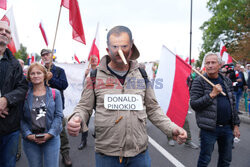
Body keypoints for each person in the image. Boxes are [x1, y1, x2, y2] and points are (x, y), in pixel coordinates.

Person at [67, 25, 187, 167]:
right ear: (107, 49)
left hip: (139, 154)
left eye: (124, 46)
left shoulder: (142, 75)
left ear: (131, 46)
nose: (119, 51)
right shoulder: (94, 76)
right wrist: (77, 118)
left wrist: (171, 128)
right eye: (115, 47)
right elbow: (84, 107)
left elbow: (153, 109)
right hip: (107, 155)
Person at [190, 52, 240, 167]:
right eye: (207, 63)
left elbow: (232, 103)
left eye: (213, 62)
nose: (210, 65)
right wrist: (211, 95)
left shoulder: (226, 81)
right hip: (209, 129)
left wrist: (236, 125)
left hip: (227, 128)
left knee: (225, 160)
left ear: (220, 65)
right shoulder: (199, 81)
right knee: (204, 160)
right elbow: (194, 104)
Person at [21, 63, 63, 167]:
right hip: (30, 140)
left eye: (39, 73)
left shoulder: (55, 93)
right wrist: (28, 135)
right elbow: (20, 118)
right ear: (29, 77)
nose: (36, 76)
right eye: (32, 73)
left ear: (44, 75)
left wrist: (50, 134)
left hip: (51, 138)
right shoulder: (24, 95)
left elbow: (58, 116)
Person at [0, 21, 28, 167]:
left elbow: (22, 88)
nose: (4, 32)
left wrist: (6, 100)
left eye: (8, 31)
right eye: (1, 29)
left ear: (10, 39)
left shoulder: (15, 64)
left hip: (9, 126)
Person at [40, 49, 72, 166]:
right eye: (43, 55)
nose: (45, 57)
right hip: (42, 105)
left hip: (56, 106)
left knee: (61, 131)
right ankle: (45, 155)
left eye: (47, 54)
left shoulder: (59, 70)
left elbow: (64, 85)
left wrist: (51, 78)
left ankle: (65, 154)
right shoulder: (39, 70)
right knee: (41, 129)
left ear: (51, 56)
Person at [78, 54, 99, 150]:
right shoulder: (87, 71)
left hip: (98, 99)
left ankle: (97, 134)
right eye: (92, 59)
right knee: (85, 120)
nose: (93, 60)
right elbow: (84, 86)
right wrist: (85, 76)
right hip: (89, 99)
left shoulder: (101, 71)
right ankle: (83, 140)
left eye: (95, 59)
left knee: (101, 117)